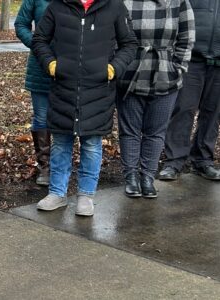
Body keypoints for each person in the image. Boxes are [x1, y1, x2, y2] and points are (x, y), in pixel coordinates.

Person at [32, 0, 137, 216]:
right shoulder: (57, 6)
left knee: (91, 144)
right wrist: (51, 64)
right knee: (61, 143)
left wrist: (113, 69)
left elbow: (129, 44)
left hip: (98, 90)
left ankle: (86, 195)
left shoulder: (114, 7)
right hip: (63, 88)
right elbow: (39, 39)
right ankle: (57, 193)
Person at [118, 0, 195, 198]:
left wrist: (178, 68)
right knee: (130, 130)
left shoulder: (179, 2)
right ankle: (131, 177)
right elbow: (112, 34)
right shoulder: (122, 1)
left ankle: (147, 177)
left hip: (166, 74)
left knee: (156, 131)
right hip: (130, 73)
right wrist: (118, 66)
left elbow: (187, 36)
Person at [158, 0, 220, 182]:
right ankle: (174, 162)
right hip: (192, 59)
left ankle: (203, 161)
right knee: (183, 109)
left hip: (219, 64)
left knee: (213, 113)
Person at [15, 0, 52, 186]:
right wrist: (37, 45)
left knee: (67, 118)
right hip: (40, 66)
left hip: (69, 65)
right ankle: (44, 166)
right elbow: (21, 24)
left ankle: (61, 165)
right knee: (42, 117)